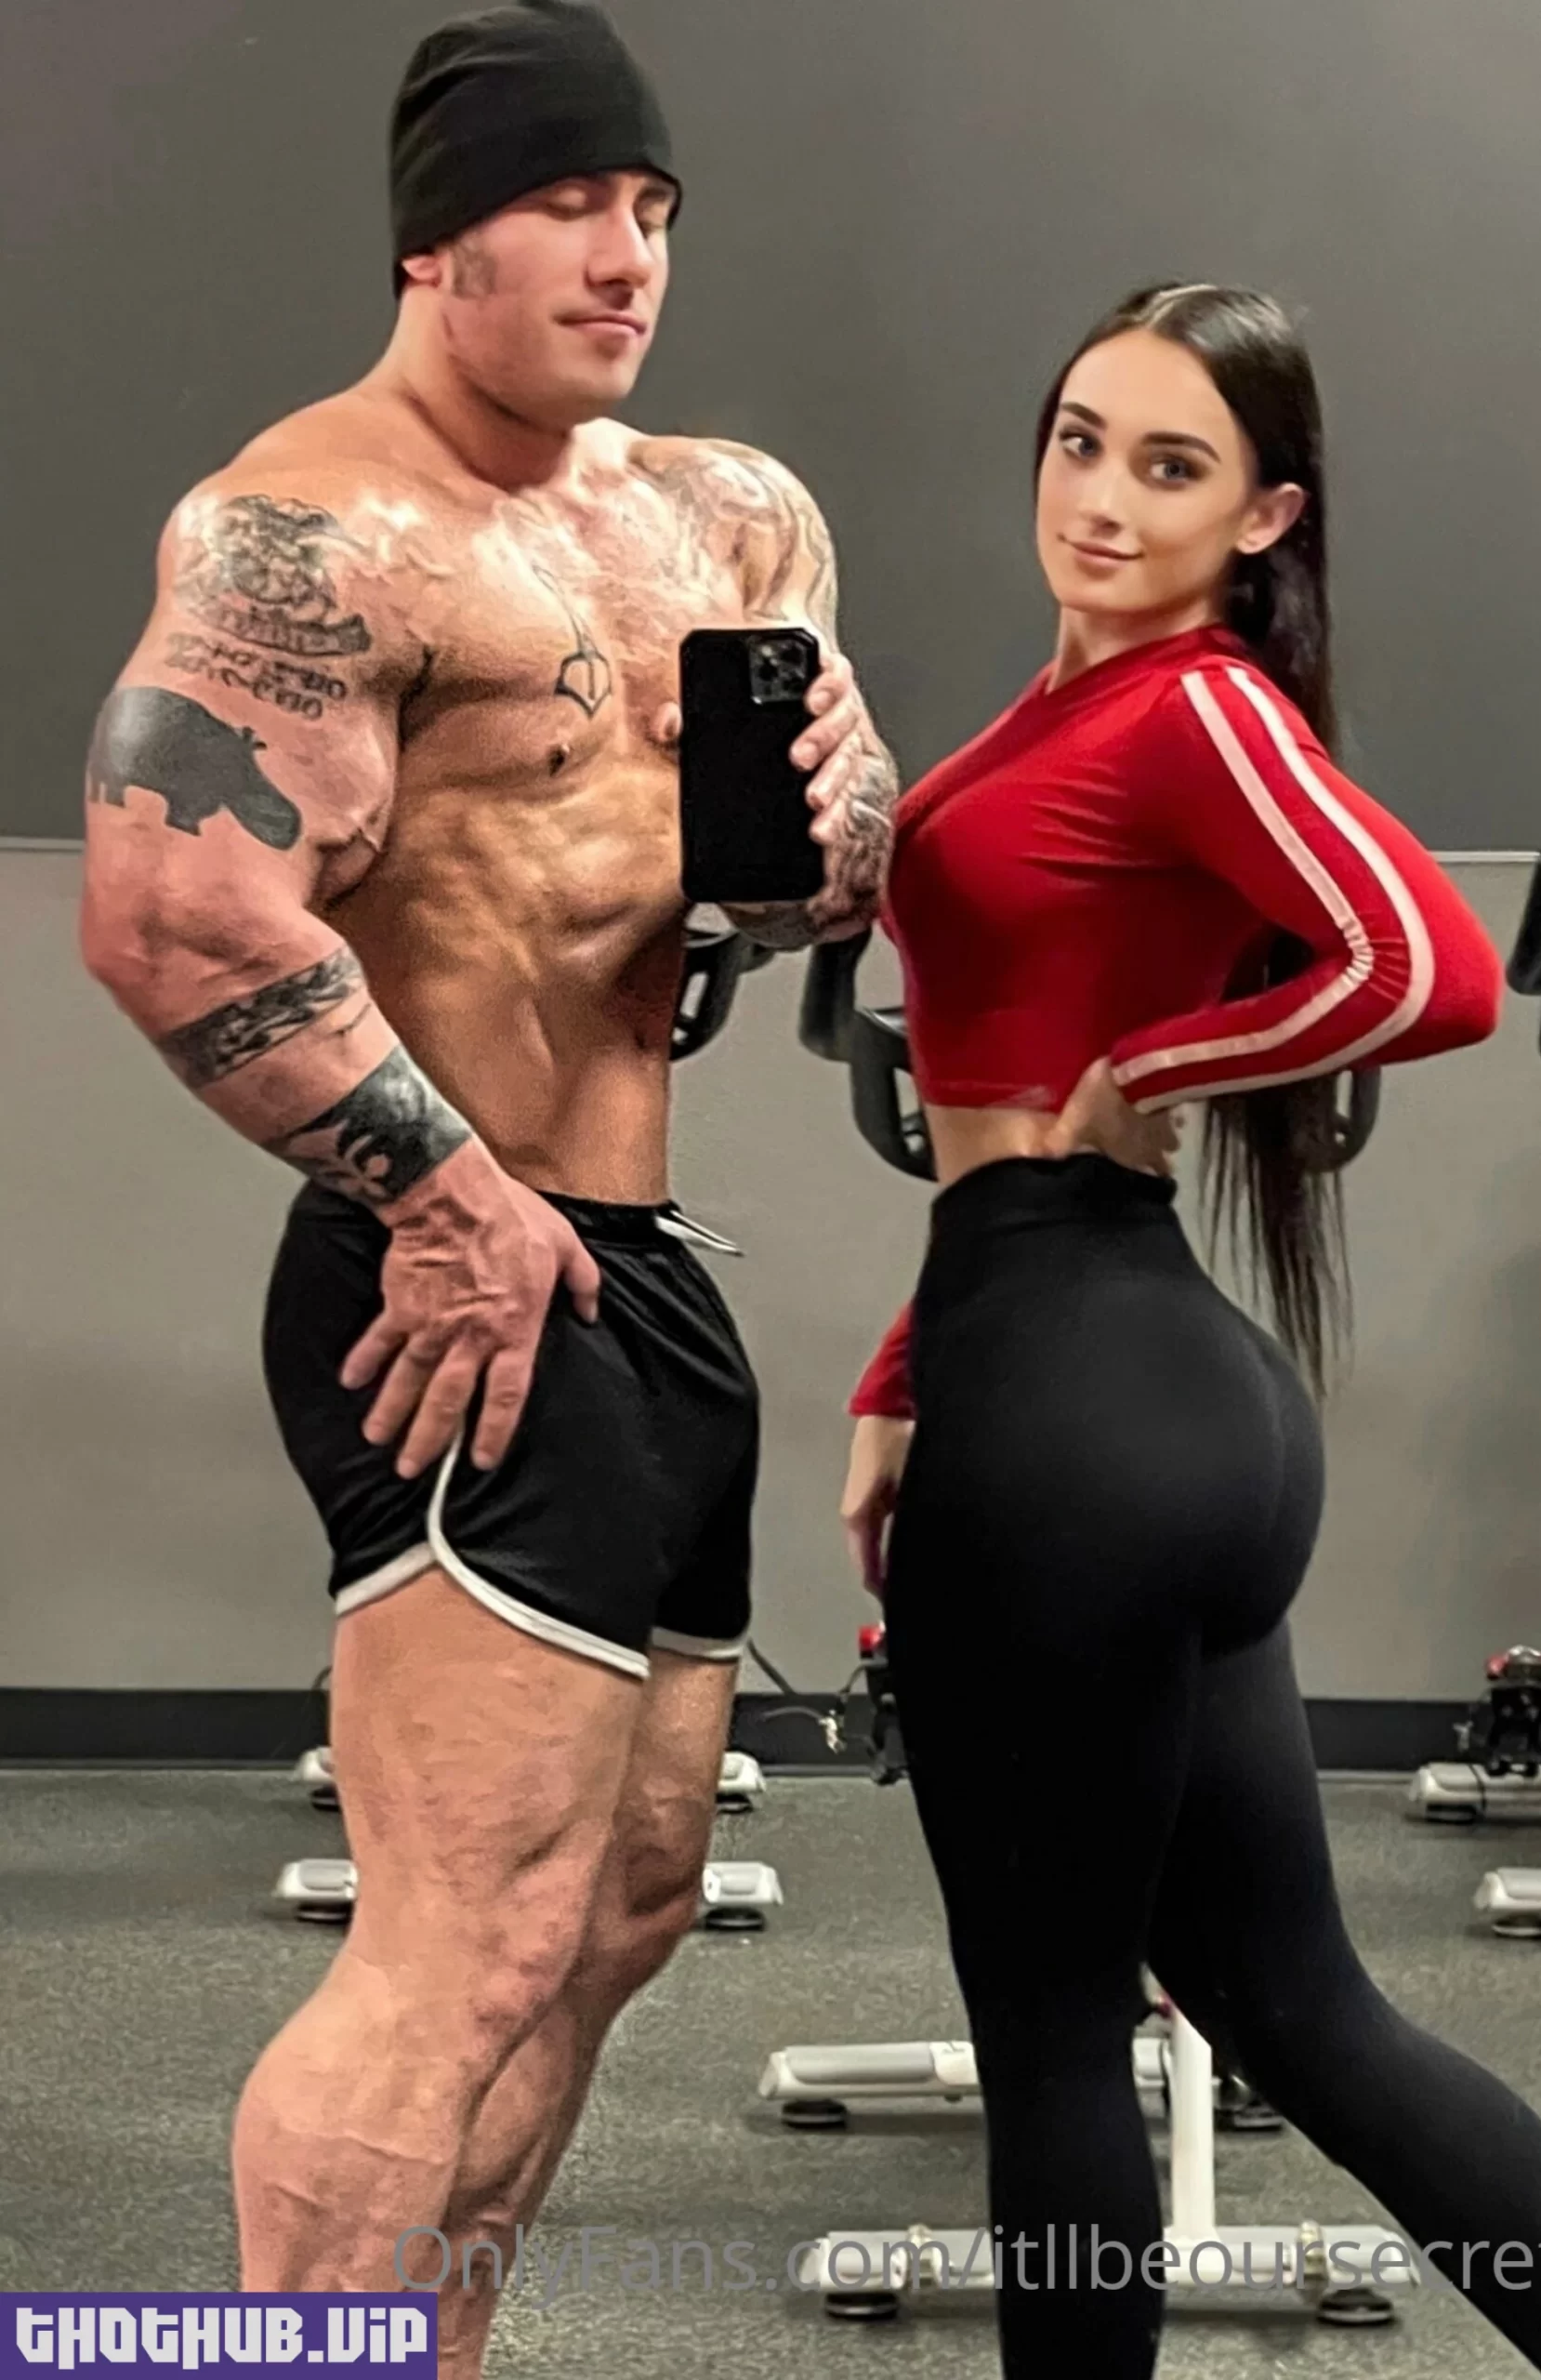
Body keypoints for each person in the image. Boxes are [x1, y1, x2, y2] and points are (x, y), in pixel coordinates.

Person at [79, 0, 898, 2358]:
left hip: (637, 1261)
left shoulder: (724, 514)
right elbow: (169, 905)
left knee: (622, 1904)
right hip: (450, 1270)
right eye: (564, 206)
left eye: (649, 208)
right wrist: (445, 1199)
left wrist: (840, 810)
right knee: (463, 1940)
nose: (626, 258)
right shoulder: (310, 529)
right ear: (437, 242)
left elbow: (803, 892)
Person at [837, 282, 1541, 2379]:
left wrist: (1156, 1069)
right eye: (1080, 438)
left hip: (1085, 1413)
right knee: (1299, 2012)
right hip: (1097, 1373)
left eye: (1171, 466)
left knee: (1055, 2046)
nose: (1101, 495)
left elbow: (1428, 968)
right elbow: (997, 1134)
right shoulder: (1062, 703)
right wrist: (904, 1372)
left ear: (1263, 515)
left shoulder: (1195, 706)